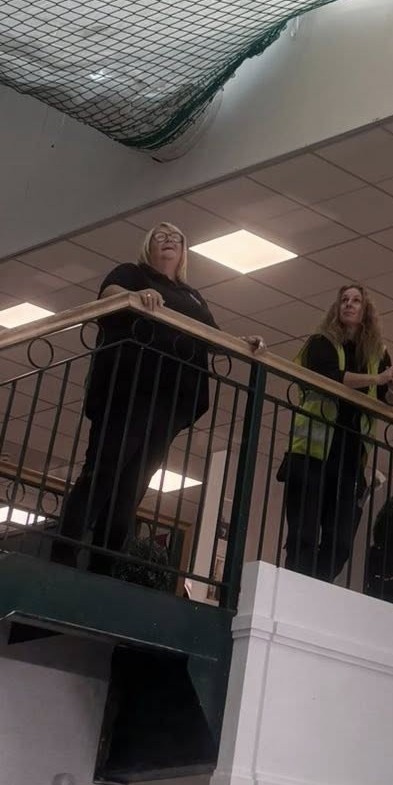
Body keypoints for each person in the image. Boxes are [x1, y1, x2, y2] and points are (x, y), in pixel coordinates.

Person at [56, 221, 249, 571]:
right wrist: (137, 298)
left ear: (184, 251)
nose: (168, 241)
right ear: (149, 246)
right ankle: (63, 555)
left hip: (172, 398)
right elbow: (108, 295)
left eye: (176, 238)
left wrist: (247, 344)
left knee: (133, 484)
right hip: (129, 389)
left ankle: (104, 566)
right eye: (160, 237)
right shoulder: (133, 272)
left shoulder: (192, 295)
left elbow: (214, 335)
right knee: (104, 469)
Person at [278, 283, 393, 582]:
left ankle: (316, 588)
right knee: (304, 534)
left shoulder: (377, 353)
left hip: (351, 457)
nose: (349, 304)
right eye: (344, 300)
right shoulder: (321, 342)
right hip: (312, 452)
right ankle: (296, 588)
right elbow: (332, 378)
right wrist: (378, 378)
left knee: (341, 542)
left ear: (365, 310)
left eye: (356, 300)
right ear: (337, 308)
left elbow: (389, 400)